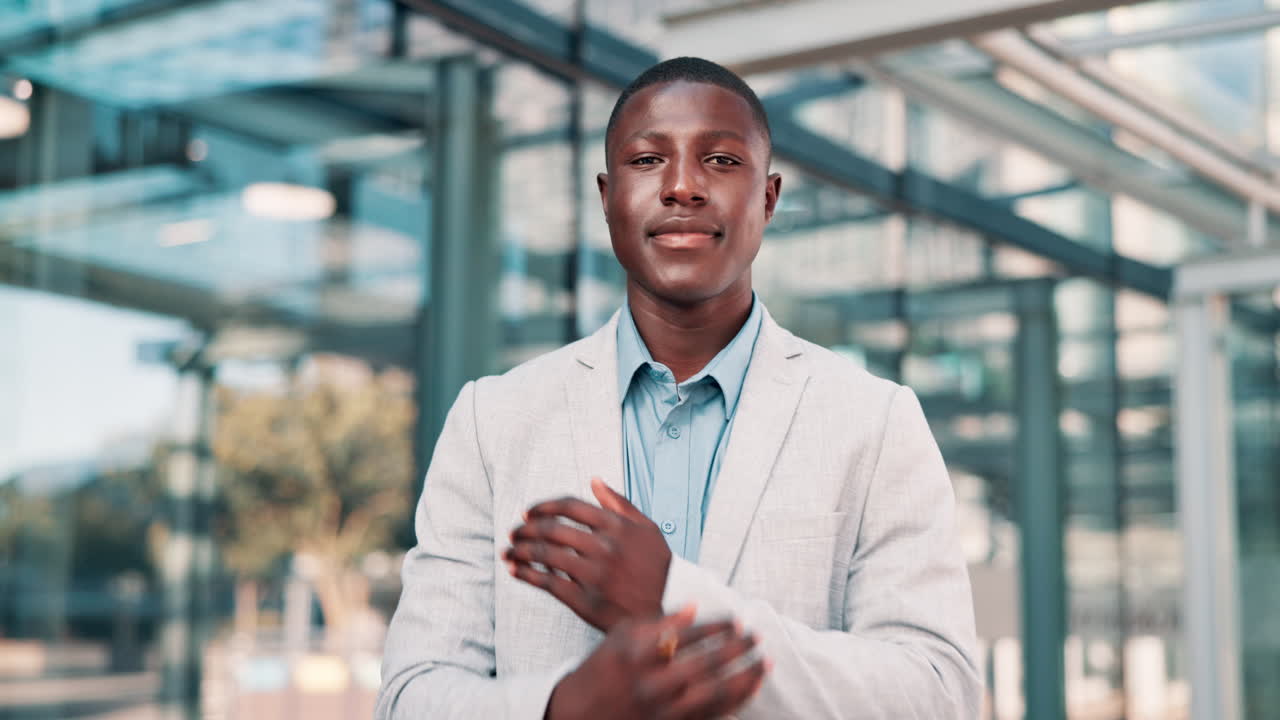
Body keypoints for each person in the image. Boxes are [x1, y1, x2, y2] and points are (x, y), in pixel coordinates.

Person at [376, 56, 980, 720]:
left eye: (720, 161)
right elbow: (412, 696)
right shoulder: (493, 422)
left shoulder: (875, 421)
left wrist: (669, 594)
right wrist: (566, 706)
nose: (683, 187)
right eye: (646, 161)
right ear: (607, 198)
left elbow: (938, 692)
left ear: (769, 198)